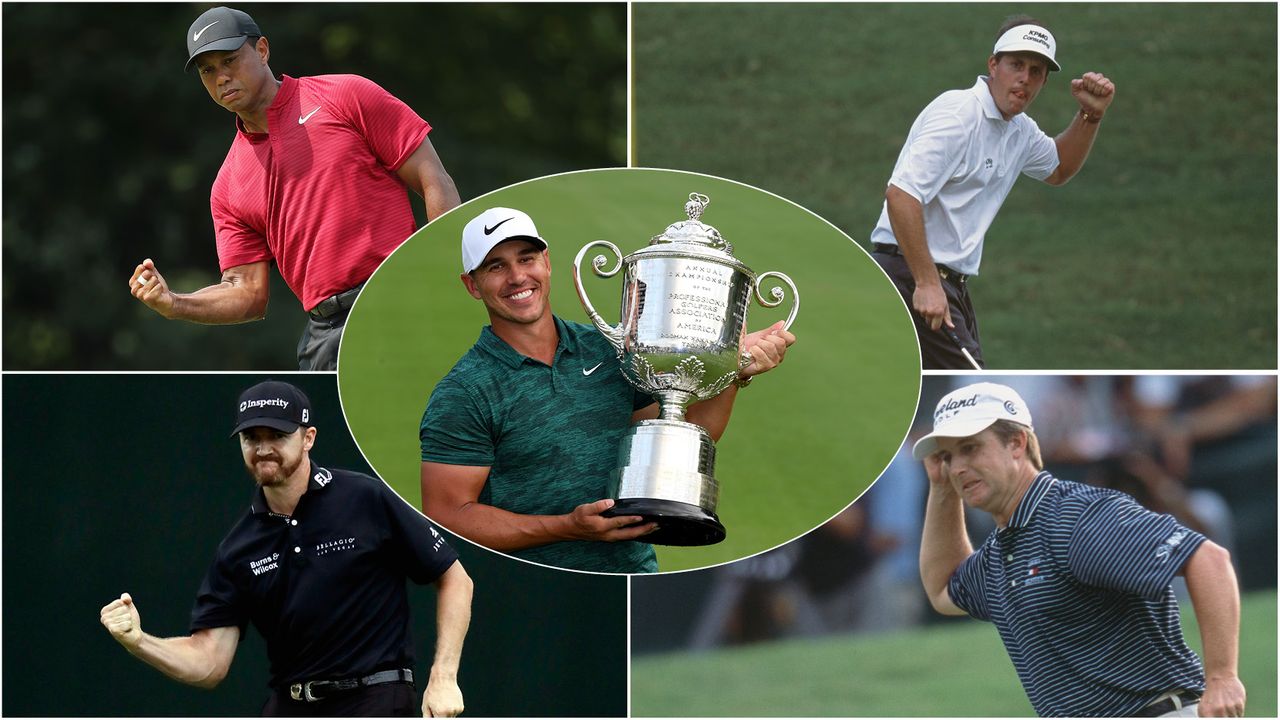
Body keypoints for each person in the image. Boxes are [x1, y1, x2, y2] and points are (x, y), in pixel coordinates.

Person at [418, 207, 796, 573]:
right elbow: (449, 516)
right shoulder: (464, 392)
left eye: (526, 258)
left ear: (546, 263)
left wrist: (733, 368)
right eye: (496, 266)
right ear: (472, 285)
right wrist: (566, 526)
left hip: (632, 576)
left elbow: (677, 441)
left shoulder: (609, 349)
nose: (517, 277)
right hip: (534, 593)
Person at [99, 380, 473, 717]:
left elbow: (455, 579)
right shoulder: (238, 547)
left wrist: (443, 675)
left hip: (374, 699)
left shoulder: (365, 497)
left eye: (276, 435)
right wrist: (139, 642)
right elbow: (210, 662)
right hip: (290, 705)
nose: (263, 449)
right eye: (251, 438)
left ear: (308, 438)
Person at [128, 7, 461, 370]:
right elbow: (247, 293)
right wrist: (175, 303)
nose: (222, 77)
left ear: (262, 50)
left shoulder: (345, 94)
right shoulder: (227, 185)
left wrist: (444, 278)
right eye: (208, 70)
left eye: (230, 60)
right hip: (328, 336)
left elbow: (433, 180)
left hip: (402, 298)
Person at [914, 382, 1246, 717]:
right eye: (947, 456)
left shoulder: (1076, 518)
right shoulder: (999, 553)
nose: (956, 467)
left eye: (970, 449)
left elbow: (1208, 558)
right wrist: (941, 487)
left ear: (1016, 443)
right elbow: (943, 589)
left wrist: (1222, 677)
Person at [868, 16, 1115, 369]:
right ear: (993, 64)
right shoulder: (958, 114)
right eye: (1016, 65)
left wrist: (1089, 116)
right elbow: (901, 195)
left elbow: (1059, 168)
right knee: (974, 380)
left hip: (947, 284)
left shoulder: (1020, 131)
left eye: (1036, 71)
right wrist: (925, 282)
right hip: (911, 276)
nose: (1025, 79)